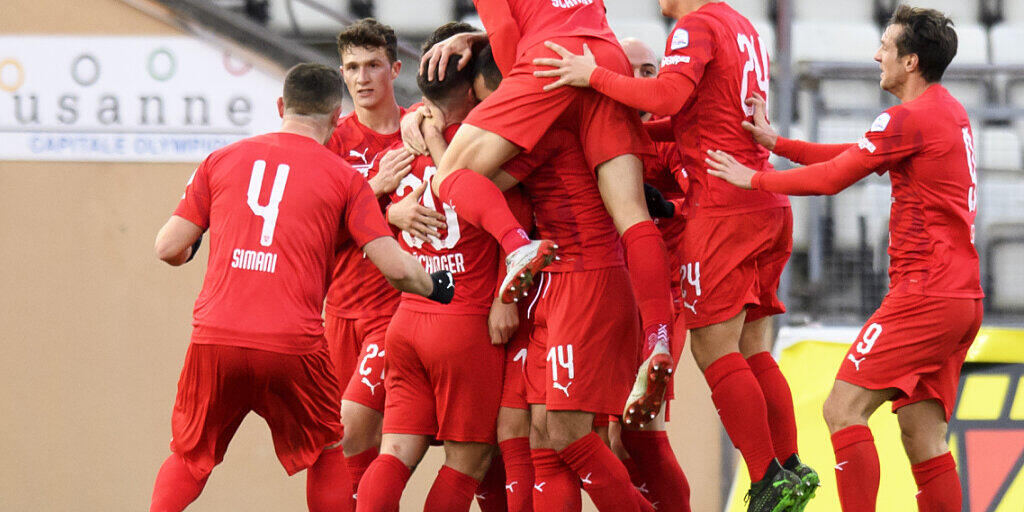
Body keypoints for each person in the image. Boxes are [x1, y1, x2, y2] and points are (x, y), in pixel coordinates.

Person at [533, 1, 818, 509]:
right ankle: (789, 466)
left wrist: (592, 75)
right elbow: (692, 114)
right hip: (765, 203)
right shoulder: (742, 24)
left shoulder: (696, 24)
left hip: (722, 209)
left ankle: (768, 479)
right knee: (752, 349)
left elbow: (668, 94)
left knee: (714, 350)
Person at [707, 6, 981, 512]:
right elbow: (854, 154)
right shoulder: (948, 112)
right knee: (924, 438)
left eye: (887, 47)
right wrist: (777, 143)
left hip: (924, 293)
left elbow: (835, 178)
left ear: (911, 62)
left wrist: (755, 179)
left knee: (842, 409)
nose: (877, 55)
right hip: (961, 298)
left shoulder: (907, 118)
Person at [149, 63, 454, 512]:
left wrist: (198, 247)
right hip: (293, 342)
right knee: (327, 449)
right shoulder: (345, 177)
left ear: (280, 107)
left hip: (216, 338)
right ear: (336, 117)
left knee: (191, 457)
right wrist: (438, 286)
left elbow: (168, 247)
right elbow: (396, 270)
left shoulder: (222, 159)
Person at [416, 1, 679, 426]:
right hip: (599, 57)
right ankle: (658, 337)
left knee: (449, 175)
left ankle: (516, 246)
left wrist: (513, 109)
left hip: (545, 63)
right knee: (632, 215)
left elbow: (504, 31)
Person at [354, 36, 526, 512]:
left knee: (394, 454)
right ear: (474, 90)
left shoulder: (403, 148)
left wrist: (390, 210)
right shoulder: (485, 151)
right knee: (467, 463)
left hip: (407, 320)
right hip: (464, 323)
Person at [324, 18, 447, 496]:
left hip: (392, 310)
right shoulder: (333, 140)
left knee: (353, 427)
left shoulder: (418, 129)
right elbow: (318, 232)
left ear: (395, 68)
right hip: (338, 311)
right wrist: (376, 198)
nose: (361, 78)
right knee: (349, 445)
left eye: (373, 65)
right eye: (352, 67)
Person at [610, 36, 693, 512]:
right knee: (609, 438)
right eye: (632, 70)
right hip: (607, 297)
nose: (641, 80)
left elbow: (700, 203)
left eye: (649, 71)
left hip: (663, 300)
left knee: (638, 429)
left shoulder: (669, 141)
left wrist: (665, 207)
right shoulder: (598, 133)